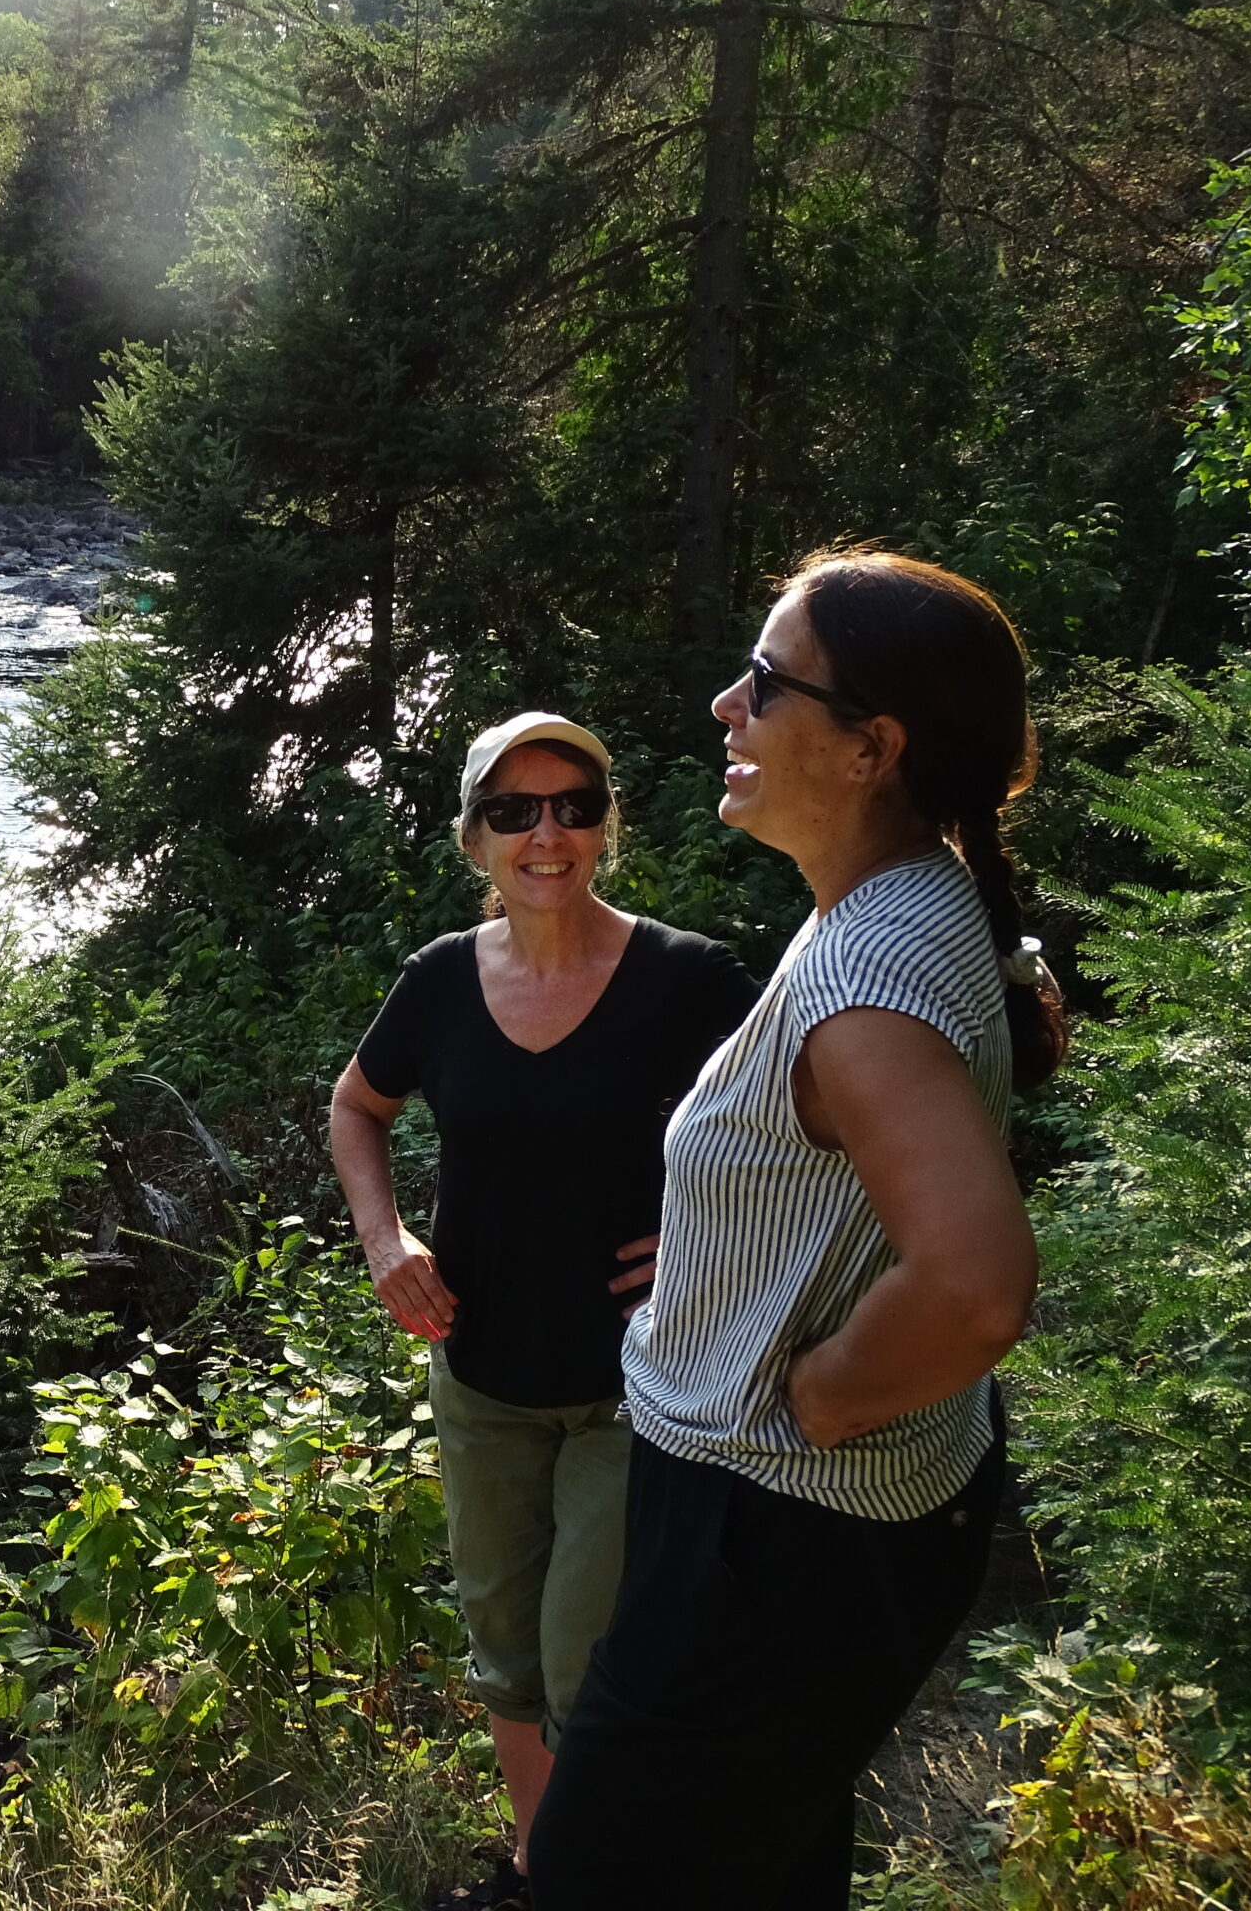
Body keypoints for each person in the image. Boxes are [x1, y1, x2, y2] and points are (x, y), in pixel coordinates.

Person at [534, 553, 1068, 1911]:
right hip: (833, 1528)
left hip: (770, 1534)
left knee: (604, 1878)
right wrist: (731, 1259)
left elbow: (972, 1287)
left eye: (766, 684)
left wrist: (824, 1393)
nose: (727, 704)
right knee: (759, 1865)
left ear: (869, 748)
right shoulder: (922, 892)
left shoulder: (865, 979)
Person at [330, 712, 759, 1907]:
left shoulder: (690, 978)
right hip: (476, 1375)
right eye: (513, 812)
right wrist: (384, 1238)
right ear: (475, 838)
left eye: (573, 804)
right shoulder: (439, 980)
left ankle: (598, 1875)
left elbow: (810, 1130)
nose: (547, 833)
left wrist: (704, 1244)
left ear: (607, 823)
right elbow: (355, 1106)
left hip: (638, 1384)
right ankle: (542, 1868)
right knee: (506, 1647)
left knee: (585, 1655)